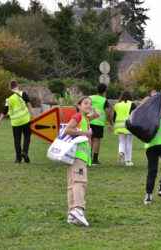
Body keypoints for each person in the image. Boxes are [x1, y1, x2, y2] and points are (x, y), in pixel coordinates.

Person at [63, 96, 101, 226]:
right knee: (80, 181)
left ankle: (71, 214)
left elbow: (88, 118)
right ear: (78, 106)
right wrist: (84, 133)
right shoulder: (78, 117)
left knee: (72, 184)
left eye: (90, 103)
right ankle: (78, 209)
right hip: (77, 156)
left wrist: (95, 115)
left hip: (77, 157)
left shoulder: (84, 118)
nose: (89, 105)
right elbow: (67, 130)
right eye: (86, 103)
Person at [0, 80, 35, 163]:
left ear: (10, 88)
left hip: (15, 122)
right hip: (25, 120)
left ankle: (18, 159)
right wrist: (34, 117)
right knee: (27, 137)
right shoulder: (23, 94)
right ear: (17, 85)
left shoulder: (8, 98)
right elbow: (29, 106)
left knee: (17, 140)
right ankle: (24, 152)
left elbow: (5, 110)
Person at [89, 83, 113, 166]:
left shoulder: (90, 98)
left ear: (96, 90)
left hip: (89, 121)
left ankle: (88, 158)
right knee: (96, 141)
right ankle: (95, 160)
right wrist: (110, 123)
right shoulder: (104, 100)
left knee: (89, 140)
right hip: (98, 123)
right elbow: (108, 113)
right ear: (104, 92)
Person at [113, 90, 137, 166]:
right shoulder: (132, 105)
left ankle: (121, 152)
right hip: (129, 127)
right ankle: (128, 161)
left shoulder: (117, 105)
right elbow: (135, 116)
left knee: (121, 142)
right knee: (129, 143)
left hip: (119, 127)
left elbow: (114, 117)